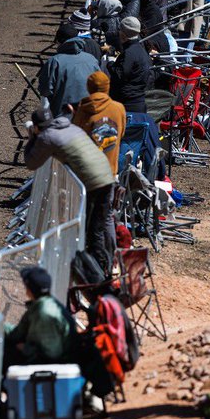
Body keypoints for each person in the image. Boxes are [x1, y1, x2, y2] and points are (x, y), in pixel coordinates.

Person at [25, 106, 117, 275]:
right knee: (99, 224)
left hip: (93, 181)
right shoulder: (71, 127)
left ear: (37, 127)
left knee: (92, 229)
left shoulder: (47, 136)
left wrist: (32, 138)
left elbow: (31, 162)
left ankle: (99, 272)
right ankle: (106, 265)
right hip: (106, 174)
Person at [3, 266, 74, 367]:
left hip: (52, 364)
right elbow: (18, 332)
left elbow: (52, 353)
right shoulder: (45, 303)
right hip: (47, 356)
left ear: (29, 290)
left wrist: (26, 349)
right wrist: (0, 326)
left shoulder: (44, 313)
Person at [38, 23, 101, 116]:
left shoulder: (54, 61)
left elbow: (45, 90)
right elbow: (100, 84)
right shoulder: (91, 59)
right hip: (89, 115)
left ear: (59, 41)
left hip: (64, 117)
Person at [73, 71, 127, 175]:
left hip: (86, 173)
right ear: (107, 87)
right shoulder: (119, 108)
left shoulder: (83, 109)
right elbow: (122, 133)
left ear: (89, 87)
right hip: (109, 172)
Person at [109, 16, 152, 114]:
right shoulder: (141, 50)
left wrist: (110, 62)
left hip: (126, 105)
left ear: (123, 34)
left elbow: (119, 75)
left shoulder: (129, 53)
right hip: (138, 102)